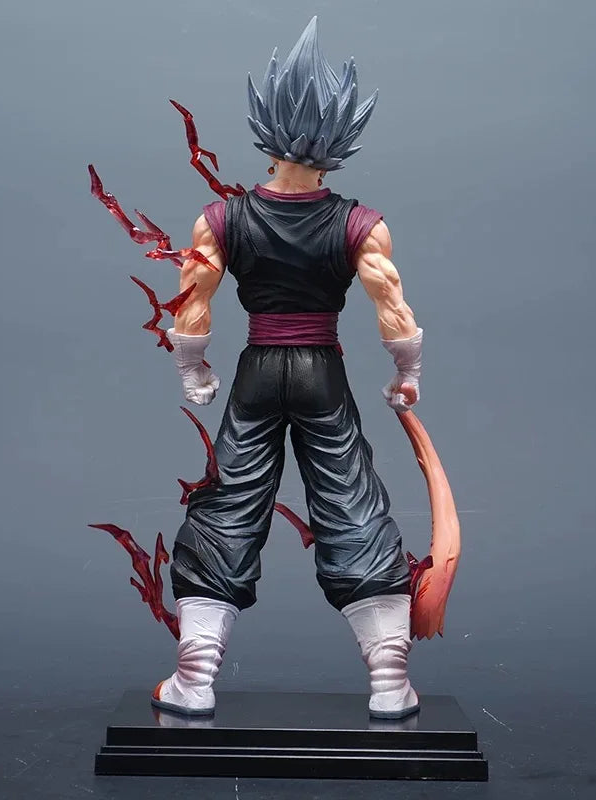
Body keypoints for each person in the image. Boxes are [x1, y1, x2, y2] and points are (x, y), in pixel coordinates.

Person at [152, 17, 424, 720]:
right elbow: (391, 304)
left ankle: (195, 673)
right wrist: (408, 372)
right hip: (321, 373)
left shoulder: (221, 219)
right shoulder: (361, 224)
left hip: (257, 371)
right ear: (341, 140)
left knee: (230, 499)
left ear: (264, 127)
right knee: (349, 497)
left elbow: (192, 303)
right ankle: (389, 676)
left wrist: (192, 370)